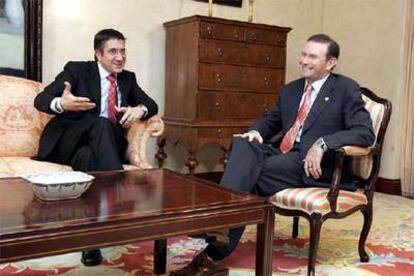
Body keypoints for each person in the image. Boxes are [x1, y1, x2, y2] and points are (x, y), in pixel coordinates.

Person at [170, 34, 375, 275]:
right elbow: (271, 120)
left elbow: (364, 133)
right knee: (242, 144)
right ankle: (220, 229)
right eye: (303, 54)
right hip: (283, 155)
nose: (304, 61)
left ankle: (216, 241)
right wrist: (256, 131)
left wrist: (322, 143)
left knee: (251, 173)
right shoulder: (291, 89)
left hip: (313, 165)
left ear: (330, 63)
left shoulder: (345, 88)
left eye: (312, 57)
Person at [34, 29, 158, 266]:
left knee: (87, 157)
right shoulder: (77, 70)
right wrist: (62, 103)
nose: (120, 57)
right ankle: (119, 208)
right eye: (113, 51)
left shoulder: (127, 78)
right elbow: (40, 100)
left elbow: (152, 104)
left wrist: (138, 110)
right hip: (69, 140)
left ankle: (90, 241)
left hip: (100, 147)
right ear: (98, 54)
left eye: (122, 51)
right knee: (100, 124)